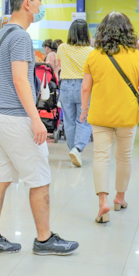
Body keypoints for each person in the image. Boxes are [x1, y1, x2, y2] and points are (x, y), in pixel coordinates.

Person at [0, 0, 79, 256]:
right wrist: (36, 119)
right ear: (27, 4)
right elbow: (20, 80)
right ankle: (45, 239)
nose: (40, 4)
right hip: (16, 119)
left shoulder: (3, 33)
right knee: (40, 179)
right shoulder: (21, 37)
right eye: (38, 0)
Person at [80, 12, 139, 224]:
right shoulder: (137, 56)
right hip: (127, 115)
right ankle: (119, 198)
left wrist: (84, 110)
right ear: (128, 31)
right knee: (124, 157)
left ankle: (102, 201)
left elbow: (86, 87)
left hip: (100, 114)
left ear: (102, 31)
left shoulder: (93, 56)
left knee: (100, 157)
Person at [57, 20, 94, 168]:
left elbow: (60, 65)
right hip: (84, 86)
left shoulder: (62, 47)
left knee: (69, 120)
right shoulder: (91, 51)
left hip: (65, 85)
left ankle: (73, 149)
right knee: (84, 119)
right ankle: (77, 149)